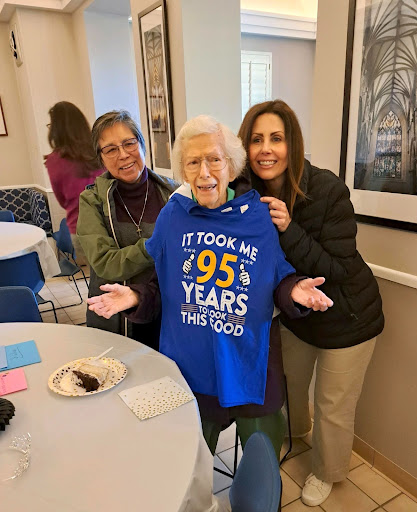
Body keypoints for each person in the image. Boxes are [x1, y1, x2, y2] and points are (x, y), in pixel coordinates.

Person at [87, 115, 333, 460]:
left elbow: (276, 276)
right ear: (183, 173)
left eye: (214, 159)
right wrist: (134, 296)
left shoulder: (257, 216)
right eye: (193, 162)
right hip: (192, 368)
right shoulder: (173, 216)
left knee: (262, 465)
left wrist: (294, 291)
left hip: (250, 368)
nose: (204, 173)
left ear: (231, 166)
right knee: (189, 466)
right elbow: (162, 282)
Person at [235, 100, 384, 507]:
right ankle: (296, 433)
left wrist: (287, 227)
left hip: (349, 317)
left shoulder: (326, 188)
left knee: (332, 406)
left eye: (277, 139)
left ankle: (326, 471)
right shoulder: (247, 191)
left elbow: (336, 267)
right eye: (256, 139)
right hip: (298, 315)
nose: (266, 149)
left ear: (292, 144)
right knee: (290, 384)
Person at [77, 110, 177, 349]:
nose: (123, 155)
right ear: (101, 159)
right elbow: (106, 263)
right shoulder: (92, 200)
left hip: (168, 312)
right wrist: (155, 245)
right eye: (110, 149)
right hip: (116, 318)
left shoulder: (174, 194)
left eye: (129, 143)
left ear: (142, 145)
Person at [44, 101, 104, 264]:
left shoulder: (54, 161)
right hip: (110, 224)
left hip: (79, 227)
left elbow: (62, 200)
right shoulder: (100, 151)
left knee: (98, 283)